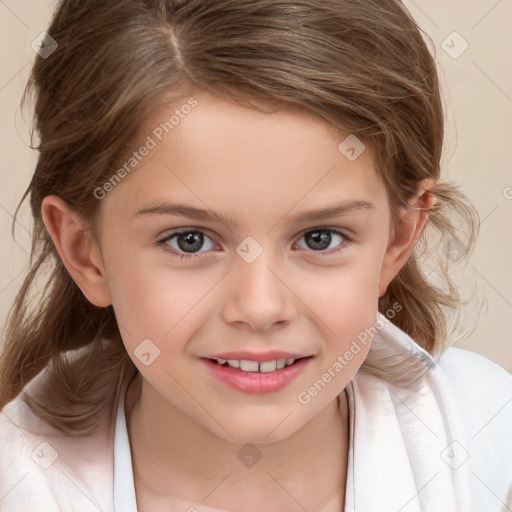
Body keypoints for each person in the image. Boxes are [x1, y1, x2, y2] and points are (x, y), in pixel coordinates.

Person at [0, 1, 510, 511]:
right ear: (85, 253)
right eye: (190, 240)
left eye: (319, 238)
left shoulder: (488, 440)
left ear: (398, 239)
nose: (261, 307)